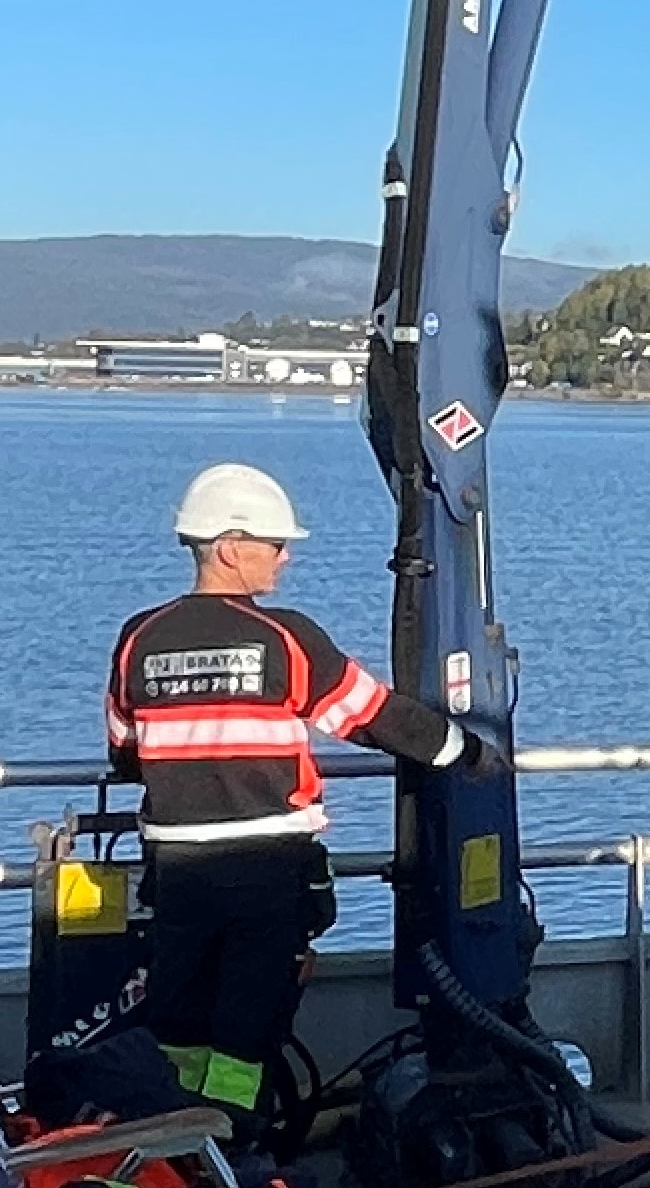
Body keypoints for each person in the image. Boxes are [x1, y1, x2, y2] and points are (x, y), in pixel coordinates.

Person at [101, 464, 487, 1131]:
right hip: (267, 868)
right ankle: (236, 1141)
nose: (286, 558)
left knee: (176, 1018)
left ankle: (173, 1143)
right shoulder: (285, 639)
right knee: (247, 1025)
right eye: (276, 545)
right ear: (230, 548)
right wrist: (466, 751)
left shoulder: (140, 638)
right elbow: (373, 716)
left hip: (176, 872)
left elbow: (125, 751)